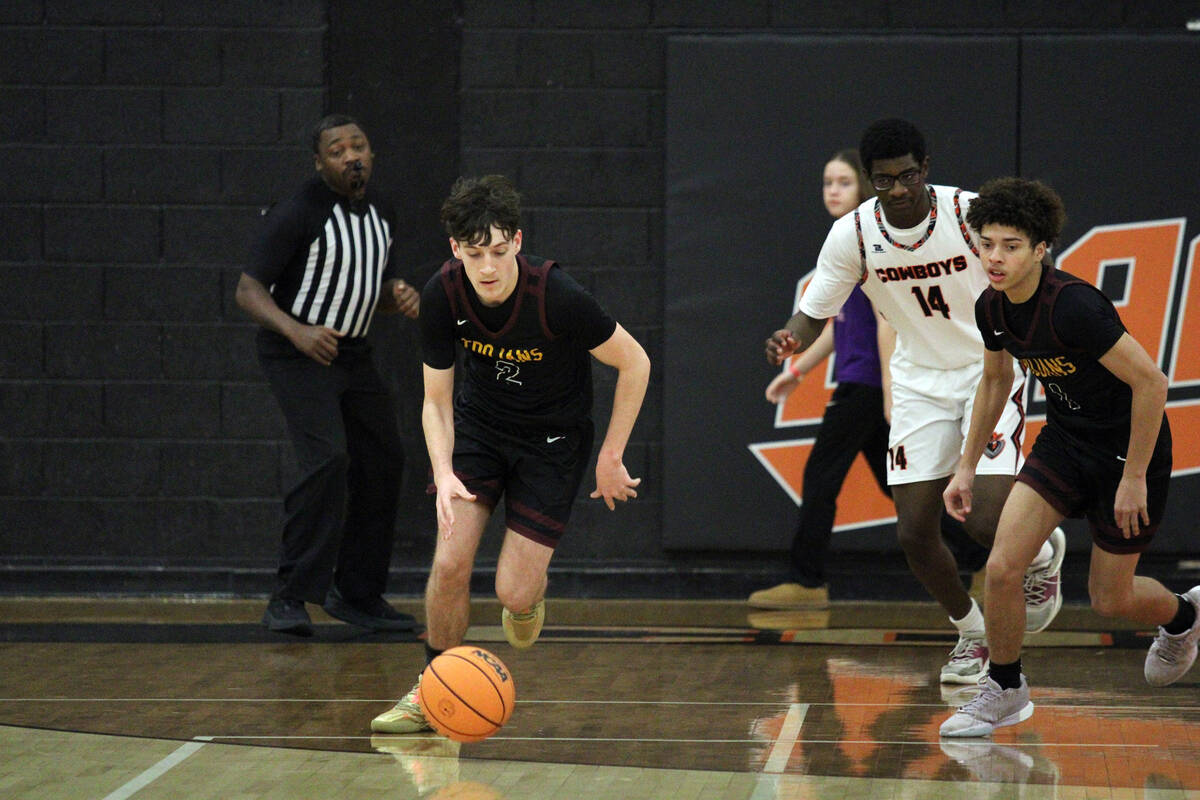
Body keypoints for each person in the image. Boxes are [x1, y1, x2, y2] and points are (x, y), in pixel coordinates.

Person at [765, 119, 1066, 685]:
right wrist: (789, 339)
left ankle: (1044, 553)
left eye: (908, 176)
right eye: (885, 180)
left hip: (987, 369)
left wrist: (1038, 330)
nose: (899, 189)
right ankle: (971, 632)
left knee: (985, 520)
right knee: (913, 532)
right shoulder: (854, 235)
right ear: (870, 179)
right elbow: (813, 313)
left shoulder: (967, 214)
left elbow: (1033, 262)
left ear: (924, 169)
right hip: (918, 381)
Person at [371, 175, 651, 734]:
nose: (488, 267)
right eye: (475, 254)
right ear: (456, 249)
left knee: (512, 591)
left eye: (499, 251)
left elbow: (635, 361)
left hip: (552, 443)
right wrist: (444, 470)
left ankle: (527, 600)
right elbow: (435, 401)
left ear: (517, 242)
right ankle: (430, 690)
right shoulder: (442, 294)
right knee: (449, 563)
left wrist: (612, 454)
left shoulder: (557, 296)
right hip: (480, 431)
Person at [939, 177, 1200, 737]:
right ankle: (1005, 688)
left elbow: (1152, 383)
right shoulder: (991, 307)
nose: (995, 257)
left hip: (1126, 451)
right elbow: (994, 381)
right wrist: (965, 467)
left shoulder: (1075, 306)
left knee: (1111, 599)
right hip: (1065, 442)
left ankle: (1185, 617)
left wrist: (1134, 477)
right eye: (987, 243)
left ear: (1040, 249)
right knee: (1003, 567)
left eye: (1011, 246)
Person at [750, 150, 988, 610]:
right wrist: (797, 371)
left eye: (842, 182)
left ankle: (806, 582)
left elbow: (885, 324)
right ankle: (980, 558)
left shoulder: (872, 240)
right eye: (827, 183)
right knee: (900, 489)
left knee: (821, 476)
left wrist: (890, 396)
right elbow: (832, 326)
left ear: (864, 186)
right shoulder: (844, 245)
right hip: (869, 385)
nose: (832, 191)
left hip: (870, 385)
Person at [236, 114, 421, 636]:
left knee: (384, 460)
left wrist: (395, 295)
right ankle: (288, 596)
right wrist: (296, 331)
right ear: (319, 164)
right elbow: (248, 290)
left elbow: (364, 288)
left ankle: (357, 593)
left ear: (371, 153)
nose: (350, 156)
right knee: (328, 460)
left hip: (352, 354)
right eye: (337, 151)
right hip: (297, 354)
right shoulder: (298, 211)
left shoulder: (381, 210)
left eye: (357, 146)